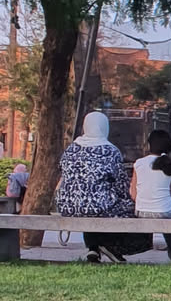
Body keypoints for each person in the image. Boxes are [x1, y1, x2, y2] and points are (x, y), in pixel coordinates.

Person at [55, 111, 151, 262]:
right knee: (117, 205)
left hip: (67, 206)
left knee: (90, 201)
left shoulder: (70, 150)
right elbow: (121, 185)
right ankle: (109, 246)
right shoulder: (110, 151)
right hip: (98, 206)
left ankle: (93, 247)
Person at [131, 128, 171, 261]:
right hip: (163, 210)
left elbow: (133, 193)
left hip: (140, 210)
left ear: (149, 145)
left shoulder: (138, 163)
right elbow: (170, 193)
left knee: (166, 216)